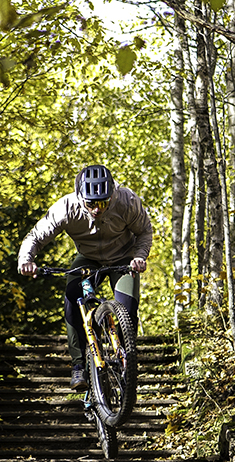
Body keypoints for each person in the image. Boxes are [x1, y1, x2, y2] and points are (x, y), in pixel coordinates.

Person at [18, 165, 152, 390]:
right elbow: (36, 236)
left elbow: (144, 231)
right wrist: (26, 259)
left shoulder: (127, 201)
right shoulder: (66, 207)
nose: (97, 210)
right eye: (91, 204)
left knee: (128, 307)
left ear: (112, 195)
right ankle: (79, 365)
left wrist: (139, 257)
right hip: (88, 258)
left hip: (123, 258)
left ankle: (125, 360)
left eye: (103, 203)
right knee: (73, 295)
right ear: (80, 197)